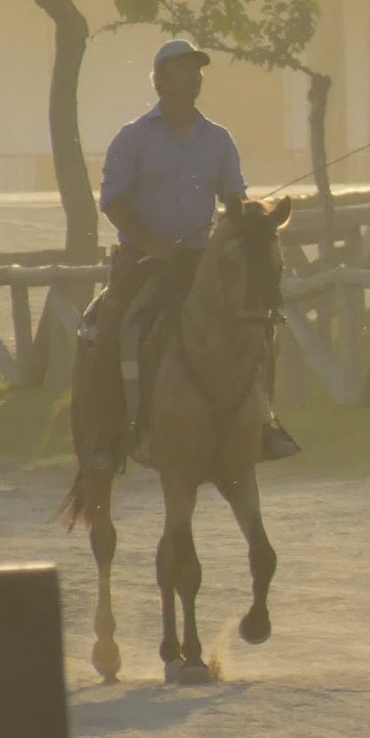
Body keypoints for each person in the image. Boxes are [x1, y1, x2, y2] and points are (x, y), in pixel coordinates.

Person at [83, 39, 299, 472]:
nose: (194, 76)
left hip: (202, 261)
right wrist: (157, 246)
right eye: (183, 69)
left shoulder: (218, 139)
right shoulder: (133, 138)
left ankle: (264, 422)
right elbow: (114, 202)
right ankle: (111, 431)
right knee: (112, 327)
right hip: (141, 261)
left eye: (197, 69)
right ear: (160, 79)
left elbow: (232, 196)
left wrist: (249, 215)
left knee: (258, 325)